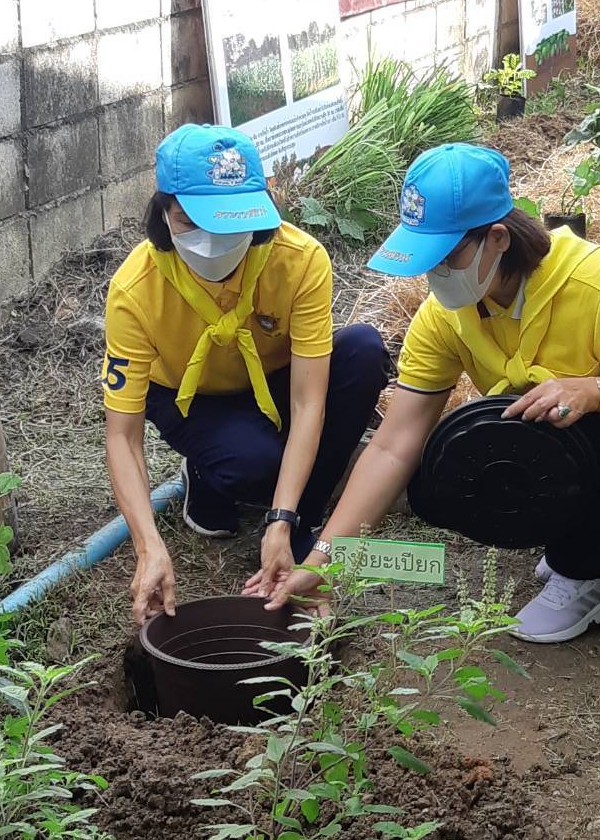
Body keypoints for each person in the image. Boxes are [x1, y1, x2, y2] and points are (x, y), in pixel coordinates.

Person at [266, 142, 600, 642]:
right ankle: (591, 509)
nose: (434, 272)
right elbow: (394, 444)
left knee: (539, 423)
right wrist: (324, 561)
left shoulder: (595, 285)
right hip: (575, 434)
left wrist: (592, 389)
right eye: (425, 257)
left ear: (498, 238)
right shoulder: (446, 314)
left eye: (446, 256)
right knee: (436, 482)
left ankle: (589, 578)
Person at [103, 123, 389, 626]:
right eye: (191, 221)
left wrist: (280, 520)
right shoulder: (135, 288)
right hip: (189, 396)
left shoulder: (299, 261)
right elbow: (123, 438)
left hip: (273, 380)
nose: (214, 241)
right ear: (163, 214)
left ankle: (302, 524)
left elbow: (307, 403)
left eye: (230, 222)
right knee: (254, 463)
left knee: (363, 350)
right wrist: (149, 545)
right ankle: (208, 473)